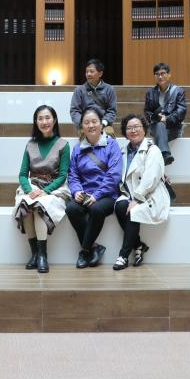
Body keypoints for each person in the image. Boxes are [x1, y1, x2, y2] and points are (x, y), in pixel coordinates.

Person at [13, 105, 71, 274]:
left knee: (39, 206)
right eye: (40, 118)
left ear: (54, 120)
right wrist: (28, 189)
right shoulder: (30, 144)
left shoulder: (63, 144)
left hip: (54, 187)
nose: (44, 122)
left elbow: (63, 175)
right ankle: (35, 254)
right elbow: (23, 174)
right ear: (36, 122)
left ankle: (43, 256)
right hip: (33, 185)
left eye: (47, 118)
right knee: (26, 204)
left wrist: (46, 191)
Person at [66, 108, 123, 268]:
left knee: (96, 209)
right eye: (86, 122)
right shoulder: (77, 149)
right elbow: (73, 175)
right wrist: (76, 191)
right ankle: (95, 247)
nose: (91, 125)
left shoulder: (112, 145)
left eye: (94, 122)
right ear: (82, 127)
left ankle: (85, 251)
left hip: (107, 195)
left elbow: (113, 175)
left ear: (101, 124)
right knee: (71, 208)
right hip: (85, 193)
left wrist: (96, 195)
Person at [113, 114, 171, 270]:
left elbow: (150, 179)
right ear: (125, 132)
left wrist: (137, 199)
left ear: (144, 129)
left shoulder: (153, 150)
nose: (133, 131)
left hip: (150, 194)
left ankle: (123, 256)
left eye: (137, 127)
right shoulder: (123, 151)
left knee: (133, 211)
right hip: (130, 193)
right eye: (129, 128)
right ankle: (138, 245)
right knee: (119, 207)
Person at [142, 62, 187, 166]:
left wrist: (167, 119)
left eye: (162, 73)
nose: (160, 76)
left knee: (160, 125)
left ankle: (163, 154)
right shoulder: (150, 93)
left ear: (169, 74)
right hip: (156, 127)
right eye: (157, 74)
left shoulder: (178, 91)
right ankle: (165, 154)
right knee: (159, 125)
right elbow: (147, 111)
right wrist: (156, 118)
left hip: (173, 128)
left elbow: (181, 111)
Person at [70, 59, 118, 136]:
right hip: (85, 124)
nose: (88, 74)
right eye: (87, 72)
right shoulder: (79, 90)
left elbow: (112, 111)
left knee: (110, 136)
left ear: (100, 73)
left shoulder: (109, 89)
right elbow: (74, 111)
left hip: (104, 124)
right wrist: (83, 123)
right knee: (83, 137)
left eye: (91, 71)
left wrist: (103, 123)